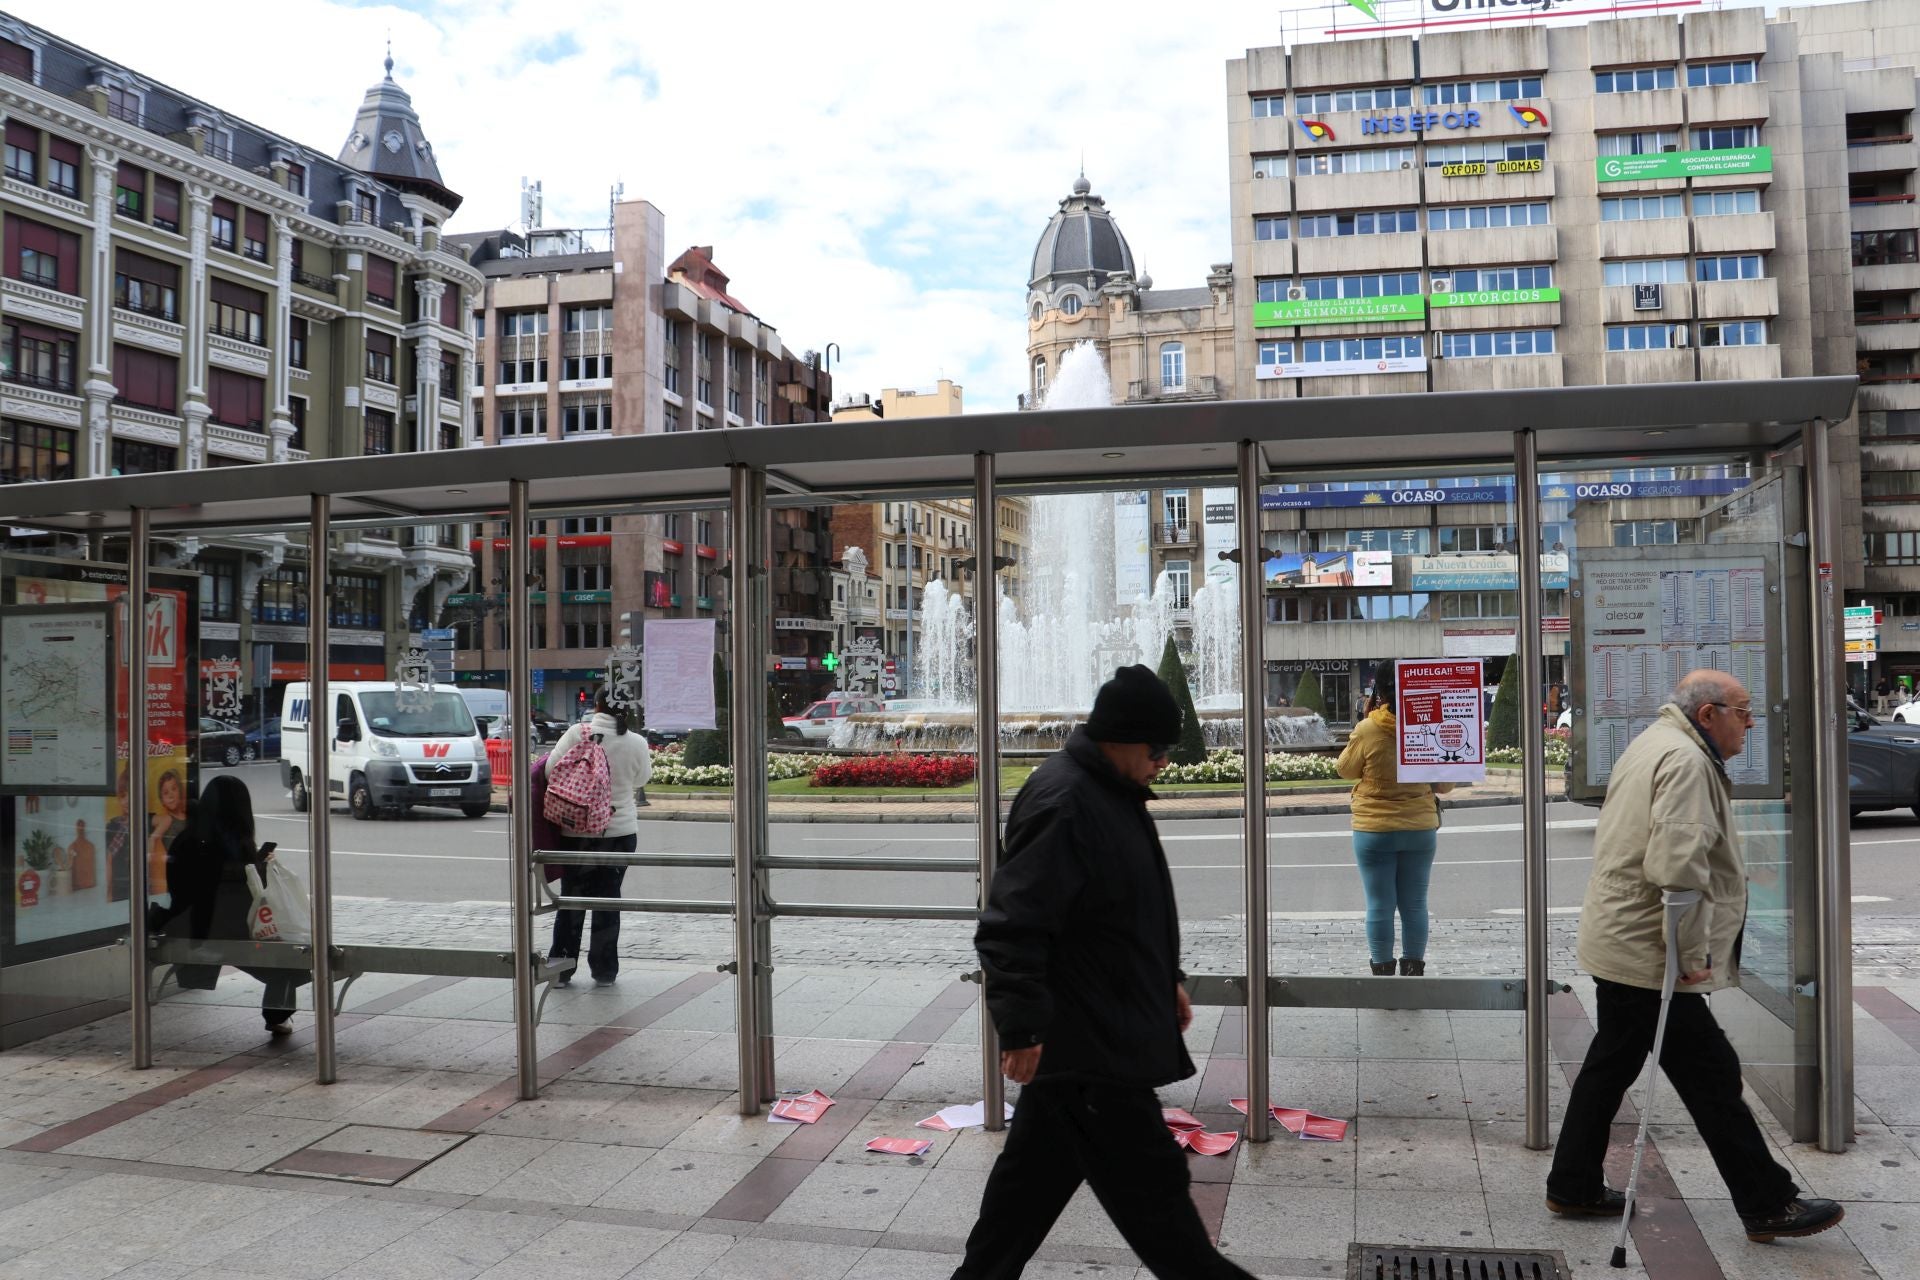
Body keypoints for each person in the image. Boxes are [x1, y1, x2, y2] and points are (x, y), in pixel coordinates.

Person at [952, 665, 1255, 1280]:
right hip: (1094, 1048)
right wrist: (1020, 1027)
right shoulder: (1068, 803)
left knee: (1020, 1203)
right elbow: (1012, 925)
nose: (1164, 761)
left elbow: (1120, 908)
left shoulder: (1108, 790)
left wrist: (1164, 977)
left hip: (1091, 1035)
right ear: (1120, 738)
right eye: (1158, 749)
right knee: (1164, 1217)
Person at [1546, 670, 1843, 1244]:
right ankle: (1766, 1203)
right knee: (1710, 1075)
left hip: (1624, 938)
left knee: (1610, 1066)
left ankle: (1573, 1182)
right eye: (1742, 710)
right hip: (1651, 949)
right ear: (1707, 714)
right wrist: (1685, 954)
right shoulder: (1685, 760)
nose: (1751, 723)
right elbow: (1677, 869)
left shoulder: (1658, 741)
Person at [149, 774, 307, 1036]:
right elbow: (236, 890)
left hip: (190, 923)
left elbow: (207, 884)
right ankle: (277, 1015)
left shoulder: (187, 838)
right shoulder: (234, 843)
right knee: (291, 957)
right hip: (218, 928)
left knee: (287, 955)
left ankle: (277, 1015)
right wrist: (260, 867)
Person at [1337, 659, 1451, 976]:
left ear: (1379, 690)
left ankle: (1382, 971)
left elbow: (1345, 770)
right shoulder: (1431, 724)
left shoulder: (1368, 729)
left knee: (1379, 904)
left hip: (1374, 830)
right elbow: (1446, 784)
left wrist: (1364, 721)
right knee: (1415, 904)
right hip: (1419, 826)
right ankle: (1413, 969)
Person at [546, 687, 650, 988]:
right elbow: (642, 779)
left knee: (572, 900)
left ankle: (562, 969)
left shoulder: (576, 734)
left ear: (597, 705)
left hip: (576, 830)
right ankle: (604, 970)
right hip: (619, 831)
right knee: (608, 900)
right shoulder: (636, 742)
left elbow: (551, 770)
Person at [147, 769, 187, 896]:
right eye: (165, 793)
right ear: (162, 799)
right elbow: (144, 821)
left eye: (174, 789)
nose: (170, 795)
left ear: (180, 790)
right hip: (176, 874)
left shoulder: (190, 816)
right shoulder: (166, 820)